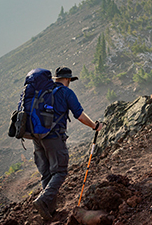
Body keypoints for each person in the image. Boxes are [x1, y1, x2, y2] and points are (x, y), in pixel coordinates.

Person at [32, 66, 103, 221]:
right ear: (68, 79)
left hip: (36, 138)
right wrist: (94, 126)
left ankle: (49, 212)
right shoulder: (66, 92)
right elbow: (79, 115)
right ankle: (43, 200)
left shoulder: (42, 92)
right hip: (54, 137)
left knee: (48, 174)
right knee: (60, 171)